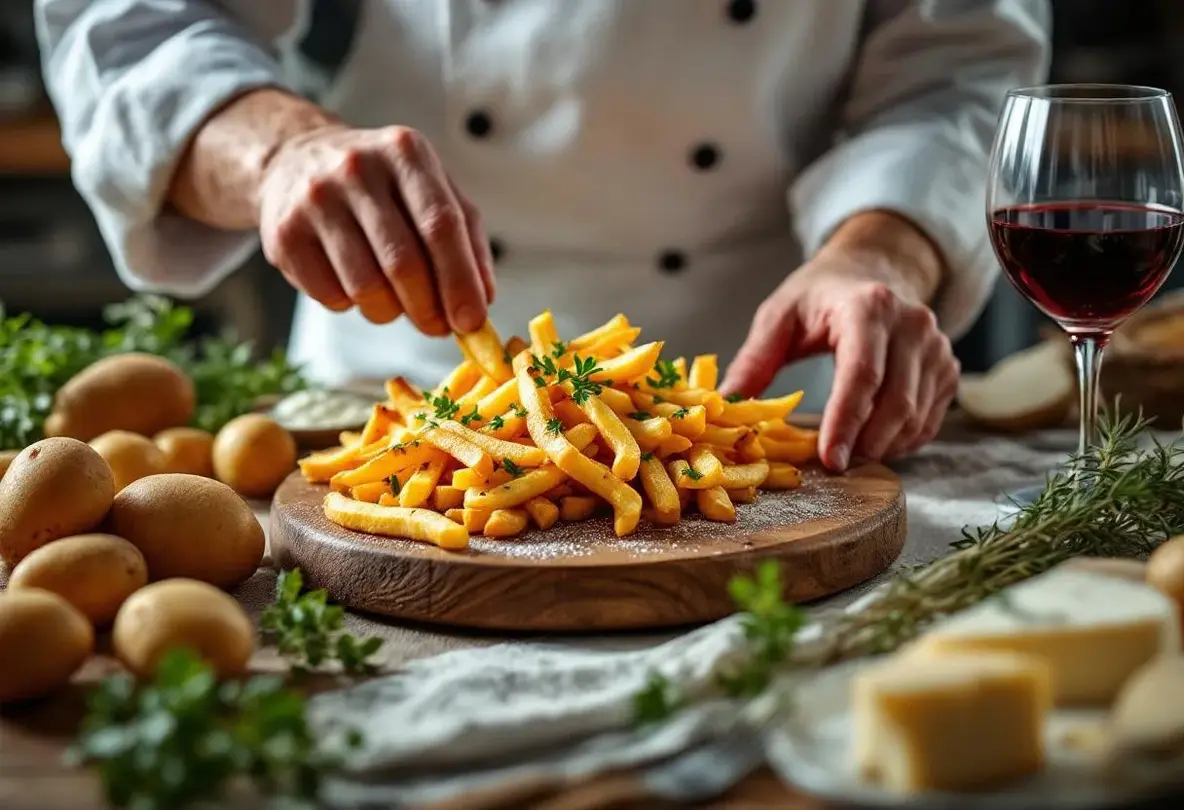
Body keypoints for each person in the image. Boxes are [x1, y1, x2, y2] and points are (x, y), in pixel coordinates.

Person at [34, 0, 1051, 471]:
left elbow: (957, 64)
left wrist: (876, 249)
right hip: (393, 399)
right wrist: (276, 151)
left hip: (780, 404)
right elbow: (129, 21)